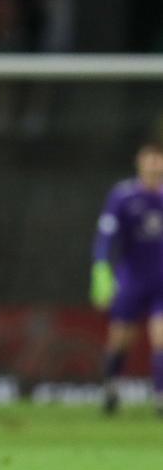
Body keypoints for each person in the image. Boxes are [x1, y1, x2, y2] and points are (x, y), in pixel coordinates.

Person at [91, 142, 163, 415]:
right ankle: (110, 388)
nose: (154, 165)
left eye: (159, 160)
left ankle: (160, 397)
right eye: (150, 160)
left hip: (162, 282)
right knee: (120, 339)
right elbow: (106, 234)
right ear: (139, 163)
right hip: (132, 279)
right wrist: (101, 268)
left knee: (161, 338)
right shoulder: (123, 196)